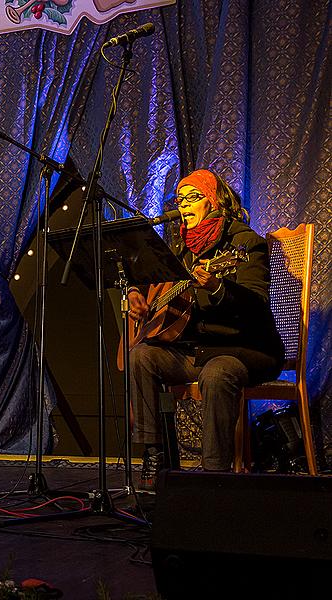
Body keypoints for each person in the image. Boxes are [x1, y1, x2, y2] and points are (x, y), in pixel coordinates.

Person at [129, 169, 283, 491]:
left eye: (192, 197)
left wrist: (217, 287)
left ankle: (214, 477)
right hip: (199, 349)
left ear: (213, 202)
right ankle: (153, 451)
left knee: (217, 372)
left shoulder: (244, 242)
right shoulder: (183, 249)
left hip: (247, 348)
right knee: (142, 355)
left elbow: (255, 302)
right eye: (180, 198)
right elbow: (143, 275)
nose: (183, 205)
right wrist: (136, 294)